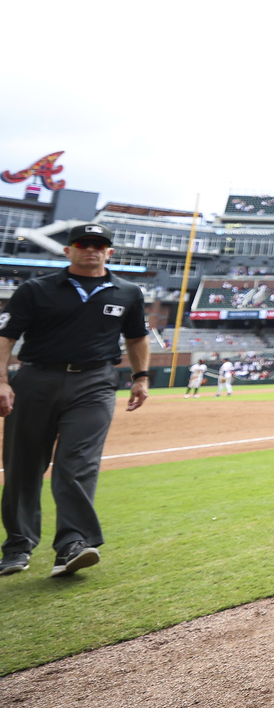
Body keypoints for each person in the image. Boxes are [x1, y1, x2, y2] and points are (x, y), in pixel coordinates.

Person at [0, 223, 150, 577]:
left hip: (95, 382)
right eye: (83, 243)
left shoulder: (127, 292)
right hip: (36, 379)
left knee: (77, 463)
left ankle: (72, 544)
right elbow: (6, 336)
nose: (91, 249)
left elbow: (137, 337)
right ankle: (17, 546)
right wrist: (2, 380)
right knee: (23, 466)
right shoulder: (36, 290)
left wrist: (141, 377)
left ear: (109, 252)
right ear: (68, 250)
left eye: (100, 245)